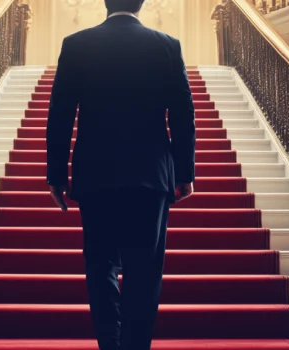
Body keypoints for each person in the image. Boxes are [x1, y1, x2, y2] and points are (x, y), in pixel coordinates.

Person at [45, 0, 196, 349]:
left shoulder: (76, 44)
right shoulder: (166, 45)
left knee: (100, 267)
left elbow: (60, 114)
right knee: (144, 272)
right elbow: (183, 114)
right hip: (151, 176)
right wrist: (184, 172)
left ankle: (110, 344)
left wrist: (56, 175)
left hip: (96, 176)